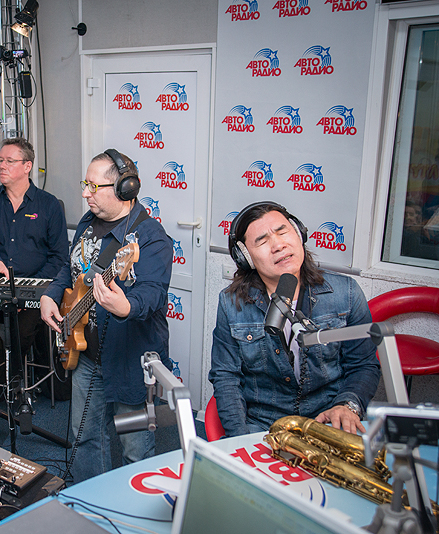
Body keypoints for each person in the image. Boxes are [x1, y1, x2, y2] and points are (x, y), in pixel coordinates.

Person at [40, 150, 173, 482]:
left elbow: (154, 293)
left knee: (135, 448)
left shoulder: (150, 237)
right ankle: (91, 502)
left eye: (94, 186)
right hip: (85, 354)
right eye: (85, 184)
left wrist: (127, 307)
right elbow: (69, 269)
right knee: (84, 437)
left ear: (125, 189)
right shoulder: (87, 223)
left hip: (129, 360)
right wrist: (49, 295)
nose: (85, 193)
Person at [209, 201, 381, 437]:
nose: (278, 245)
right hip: (262, 425)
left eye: (283, 232)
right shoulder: (231, 304)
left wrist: (347, 405)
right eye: (262, 241)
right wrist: (239, 438)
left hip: (328, 418)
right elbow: (226, 377)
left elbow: (363, 365)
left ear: (299, 235)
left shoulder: (346, 293)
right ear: (245, 257)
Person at [0, 138, 67, 382]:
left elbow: (59, 257)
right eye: (0, 160)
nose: (2, 166)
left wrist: (27, 290)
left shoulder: (49, 205)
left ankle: (7, 389)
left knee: (18, 335)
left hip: (34, 293)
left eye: (9, 161)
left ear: (27, 166)